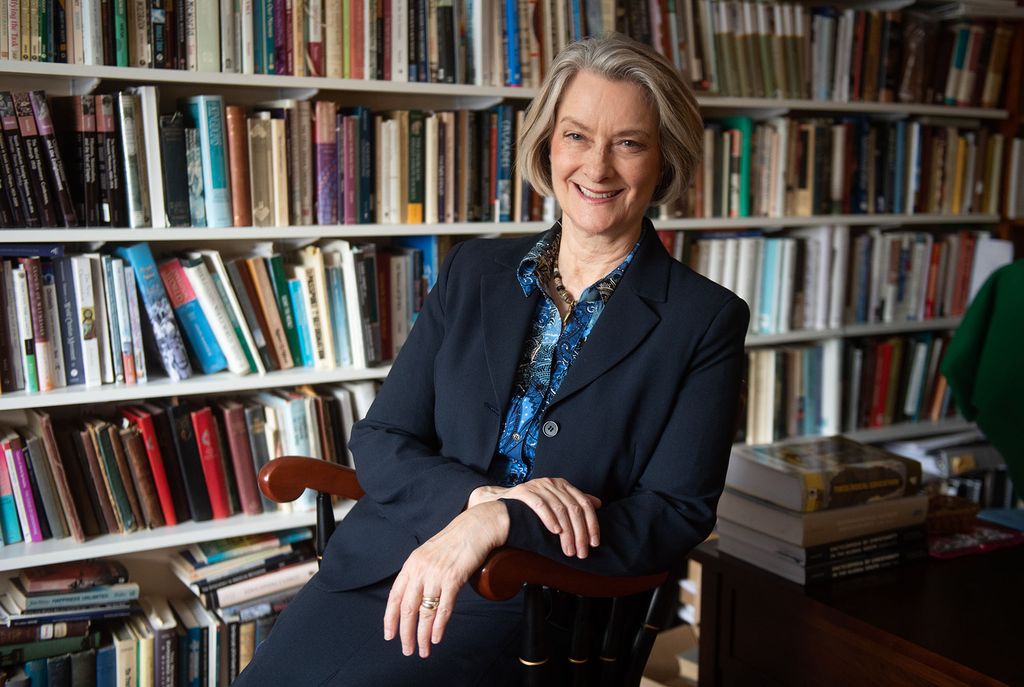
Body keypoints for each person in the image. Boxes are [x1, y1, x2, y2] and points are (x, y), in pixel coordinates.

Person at [236, 33, 748, 686]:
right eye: (577, 136)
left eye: (629, 141)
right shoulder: (475, 270)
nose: (597, 168)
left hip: (532, 594)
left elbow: (673, 514)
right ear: (547, 144)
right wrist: (474, 498)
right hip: (387, 556)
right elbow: (382, 437)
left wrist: (504, 518)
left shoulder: (702, 319)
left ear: (663, 158)